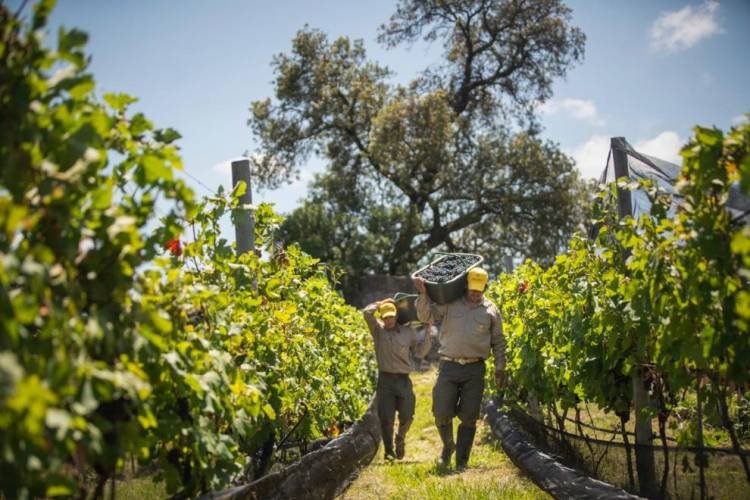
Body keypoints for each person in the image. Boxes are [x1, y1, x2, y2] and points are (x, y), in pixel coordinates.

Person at [413, 267, 506, 469]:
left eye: (479, 290)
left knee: (469, 417)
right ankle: (448, 446)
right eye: (472, 289)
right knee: (441, 411)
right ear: (465, 285)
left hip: (475, 369)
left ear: (485, 288)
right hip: (449, 365)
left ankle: (461, 463)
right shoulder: (450, 304)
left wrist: (500, 366)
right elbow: (426, 317)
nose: (475, 293)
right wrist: (423, 294)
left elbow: (498, 341)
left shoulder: (491, 310)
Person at [363, 298, 432, 460]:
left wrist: (428, 335)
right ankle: (389, 452)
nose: (389, 320)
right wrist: (380, 303)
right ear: (382, 318)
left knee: (407, 415)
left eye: (391, 317)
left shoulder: (408, 333)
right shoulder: (377, 331)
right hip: (385, 380)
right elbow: (366, 312)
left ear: (396, 316)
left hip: (403, 380)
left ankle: (400, 438)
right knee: (386, 419)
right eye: (385, 317)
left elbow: (420, 352)